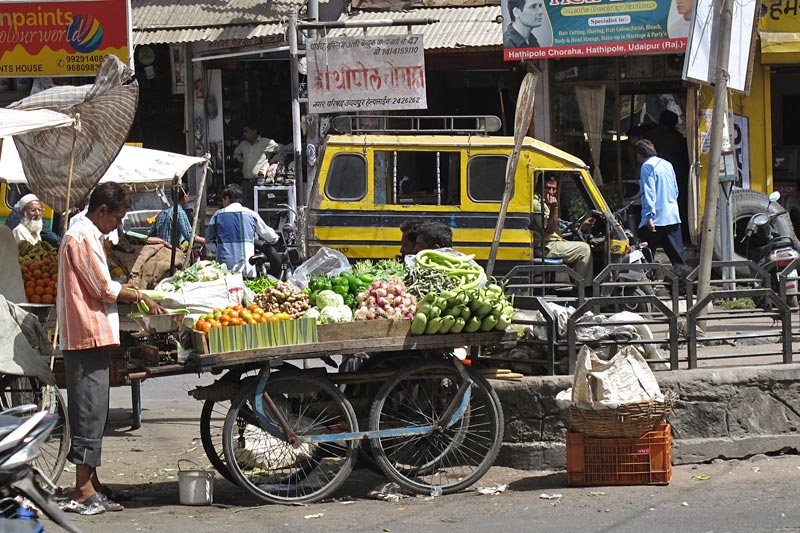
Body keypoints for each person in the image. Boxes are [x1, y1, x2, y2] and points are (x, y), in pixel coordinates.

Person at [57, 182, 165, 516]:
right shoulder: (82, 236)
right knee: (88, 410)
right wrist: (139, 294)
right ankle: (83, 490)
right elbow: (103, 287)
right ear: (102, 211)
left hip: (92, 332)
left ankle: (93, 482)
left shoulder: (89, 235)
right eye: (117, 218)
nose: (118, 224)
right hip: (85, 332)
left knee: (94, 408)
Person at [205, 183, 279, 277]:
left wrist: (219, 250)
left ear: (226, 198)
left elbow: (208, 242)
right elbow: (270, 236)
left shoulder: (217, 215)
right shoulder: (251, 214)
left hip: (225, 271)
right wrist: (276, 238)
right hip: (248, 270)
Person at [531, 175, 594, 284]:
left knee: (578, 246)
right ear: (539, 186)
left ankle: (576, 282)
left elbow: (558, 223)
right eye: (547, 188)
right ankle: (583, 289)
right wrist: (554, 207)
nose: (551, 192)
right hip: (545, 247)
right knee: (584, 249)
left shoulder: (544, 202)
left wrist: (580, 225)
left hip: (553, 242)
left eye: (554, 189)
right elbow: (549, 230)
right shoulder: (537, 204)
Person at [635, 139, 686, 266]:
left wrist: (648, 216)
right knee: (678, 258)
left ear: (639, 154)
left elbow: (648, 192)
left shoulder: (647, 166)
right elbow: (675, 190)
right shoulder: (667, 164)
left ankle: (646, 282)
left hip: (656, 218)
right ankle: (684, 283)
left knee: (645, 255)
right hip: (672, 216)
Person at [233, 124, 280, 209]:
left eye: (246, 131)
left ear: (254, 132)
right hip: (246, 183)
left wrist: (272, 162)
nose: (244, 134)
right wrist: (243, 161)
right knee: (246, 208)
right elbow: (236, 154)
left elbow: (281, 150)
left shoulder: (266, 142)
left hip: (259, 182)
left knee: (261, 208)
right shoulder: (243, 144)